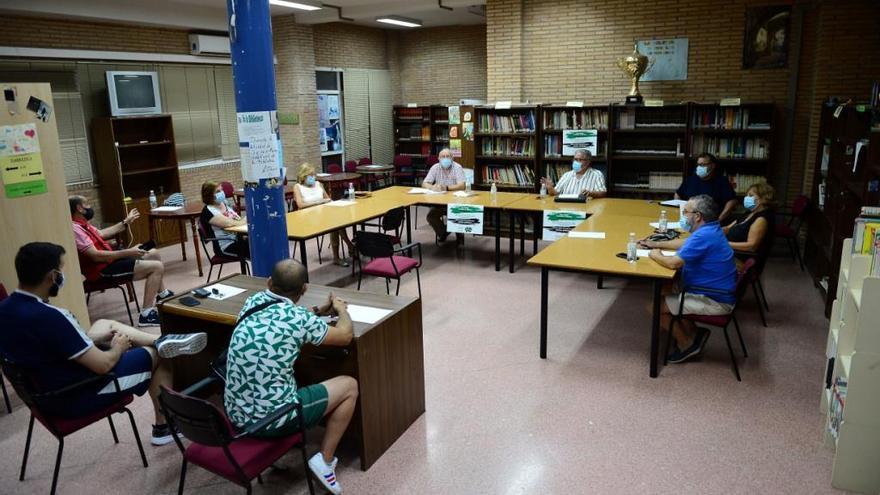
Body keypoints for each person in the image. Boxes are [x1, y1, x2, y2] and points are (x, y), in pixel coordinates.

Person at [0, 242, 207, 445]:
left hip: (44, 393)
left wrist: (97, 340)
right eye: (62, 271)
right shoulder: (50, 317)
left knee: (104, 324)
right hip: (78, 394)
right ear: (53, 276)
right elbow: (103, 365)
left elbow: (49, 345)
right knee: (159, 355)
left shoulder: (6, 309)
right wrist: (119, 347)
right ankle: (165, 427)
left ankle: (163, 340)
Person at [224, 259, 358, 495]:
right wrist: (340, 310)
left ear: (268, 282)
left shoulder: (252, 302)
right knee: (349, 386)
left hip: (236, 413)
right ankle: (325, 461)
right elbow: (345, 336)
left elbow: (285, 315)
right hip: (271, 420)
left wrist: (317, 311)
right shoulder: (299, 320)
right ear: (304, 289)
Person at [643, 195, 737, 363]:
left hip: (715, 299)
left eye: (685, 212)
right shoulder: (711, 229)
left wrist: (654, 254)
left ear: (698, 216)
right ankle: (693, 332)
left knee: (654, 306)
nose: (682, 216)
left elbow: (673, 264)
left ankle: (686, 344)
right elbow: (685, 243)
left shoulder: (703, 236)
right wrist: (655, 244)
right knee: (665, 287)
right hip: (714, 290)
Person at [70, 195, 172, 327]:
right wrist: (129, 252)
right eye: (87, 204)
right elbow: (95, 256)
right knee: (157, 267)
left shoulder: (83, 224)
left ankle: (162, 294)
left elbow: (102, 234)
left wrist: (126, 222)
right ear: (80, 208)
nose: (90, 207)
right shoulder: (75, 229)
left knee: (153, 253)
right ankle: (146, 315)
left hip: (109, 261)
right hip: (102, 271)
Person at [293, 163, 353, 267]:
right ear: (303, 176)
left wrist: (331, 202)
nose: (313, 177)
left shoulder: (318, 184)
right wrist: (318, 202)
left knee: (336, 221)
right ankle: (349, 246)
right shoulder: (297, 187)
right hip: (308, 217)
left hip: (324, 214)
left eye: (313, 174)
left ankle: (340, 255)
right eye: (310, 175)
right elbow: (300, 205)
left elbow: (327, 199)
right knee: (335, 223)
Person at [723, 181, 776, 262]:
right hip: (729, 252)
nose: (746, 198)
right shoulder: (749, 213)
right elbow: (728, 228)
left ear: (763, 199)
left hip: (741, 258)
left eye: (751, 195)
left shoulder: (761, 219)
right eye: (747, 195)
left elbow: (751, 246)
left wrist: (724, 244)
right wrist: (712, 233)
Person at [675, 153, 737, 222]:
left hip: (711, 221)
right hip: (690, 220)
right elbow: (678, 194)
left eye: (703, 165)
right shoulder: (690, 179)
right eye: (698, 165)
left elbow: (732, 201)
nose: (699, 167)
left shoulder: (722, 181)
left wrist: (719, 219)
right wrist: (680, 212)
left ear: (712, 166)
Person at [421, 148, 466, 242]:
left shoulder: (457, 167)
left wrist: (446, 188)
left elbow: (462, 185)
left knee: (454, 213)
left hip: (455, 202)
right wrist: (432, 187)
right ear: (438, 158)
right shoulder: (435, 167)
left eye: (448, 156)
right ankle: (443, 233)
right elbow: (424, 183)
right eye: (442, 156)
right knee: (431, 216)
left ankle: (459, 236)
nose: (445, 159)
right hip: (439, 202)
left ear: (452, 158)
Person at [200, 181, 249, 258]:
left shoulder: (224, 203)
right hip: (226, 246)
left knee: (260, 241)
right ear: (209, 195)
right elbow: (230, 224)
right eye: (218, 191)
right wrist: (247, 219)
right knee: (255, 248)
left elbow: (237, 219)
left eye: (221, 190)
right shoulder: (208, 211)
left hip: (238, 239)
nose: (221, 193)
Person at [540, 149, 607, 198]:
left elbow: (603, 193)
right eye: (575, 159)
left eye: (580, 160)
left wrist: (591, 193)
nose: (577, 162)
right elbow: (555, 193)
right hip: (565, 208)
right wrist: (550, 188)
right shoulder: (567, 175)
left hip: (586, 208)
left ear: (588, 162)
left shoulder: (596, 174)